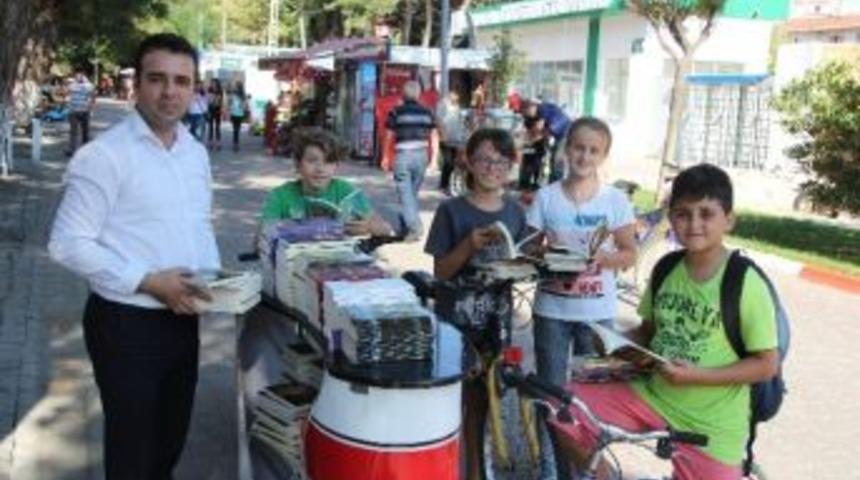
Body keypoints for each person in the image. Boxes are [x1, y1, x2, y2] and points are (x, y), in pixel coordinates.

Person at [48, 33, 220, 479]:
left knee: (169, 444)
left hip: (182, 318)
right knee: (133, 455)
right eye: (158, 79)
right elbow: (66, 241)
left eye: (182, 81)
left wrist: (216, 279)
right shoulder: (104, 155)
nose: (170, 91)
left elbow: (197, 224)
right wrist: (147, 280)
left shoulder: (195, 153)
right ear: (137, 85)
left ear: (194, 87)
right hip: (126, 323)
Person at [552, 163, 779, 480]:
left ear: (729, 219)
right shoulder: (667, 268)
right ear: (671, 218)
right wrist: (616, 341)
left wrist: (695, 376)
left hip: (712, 421)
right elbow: (648, 332)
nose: (694, 223)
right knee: (563, 409)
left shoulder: (745, 281)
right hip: (651, 395)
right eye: (683, 213)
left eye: (706, 213)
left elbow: (766, 365)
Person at [525, 117, 637, 479]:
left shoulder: (615, 200)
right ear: (566, 148)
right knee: (552, 394)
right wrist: (548, 257)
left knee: (591, 399)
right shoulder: (546, 197)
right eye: (578, 147)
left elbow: (629, 252)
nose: (584, 156)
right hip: (551, 311)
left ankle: (587, 471)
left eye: (593, 150)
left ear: (604, 156)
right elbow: (527, 249)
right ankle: (552, 468)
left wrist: (604, 259)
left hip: (596, 314)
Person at [424, 128, 528, 480]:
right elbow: (440, 271)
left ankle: (475, 470)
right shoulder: (451, 211)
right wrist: (468, 245)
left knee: (485, 398)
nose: (491, 167)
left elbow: (520, 261)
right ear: (468, 160)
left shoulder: (515, 212)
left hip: (496, 322)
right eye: (484, 158)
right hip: (455, 321)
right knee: (453, 399)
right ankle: (445, 467)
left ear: (511, 165)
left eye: (500, 160)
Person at [260, 127, 393, 237]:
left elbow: (386, 230)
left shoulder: (346, 191)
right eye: (312, 161)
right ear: (298, 164)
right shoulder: (280, 196)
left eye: (328, 162)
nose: (320, 169)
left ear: (336, 166)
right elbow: (261, 238)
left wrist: (371, 227)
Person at [385, 80, 441, 241]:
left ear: (403, 95)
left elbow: (389, 135)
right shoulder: (427, 112)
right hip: (421, 156)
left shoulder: (396, 112)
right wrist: (434, 158)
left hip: (403, 155)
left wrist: (385, 156)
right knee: (411, 194)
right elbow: (434, 135)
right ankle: (406, 225)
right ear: (418, 95)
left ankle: (415, 227)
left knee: (406, 194)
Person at [523, 98, 571, 183]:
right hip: (559, 134)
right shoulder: (539, 114)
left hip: (565, 134)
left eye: (527, 111)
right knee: (553, 158)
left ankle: (556, 183)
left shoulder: (542, 108)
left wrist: (529, 141)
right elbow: (539, 130)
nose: (527, 114)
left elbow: (541, 129)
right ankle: (553, 181)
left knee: (557, 158)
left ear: (532, 107)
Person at [438, 91, 466, 195]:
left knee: (455, 163)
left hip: (456, 138)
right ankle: (444, 185)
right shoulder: (443, 104)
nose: (456, 98)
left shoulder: (456, 106)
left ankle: (449, 185)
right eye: (455, 97)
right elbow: (439, 120)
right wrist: (442, 134)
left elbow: (459, 120)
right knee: (448, 163)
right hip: (446, 138)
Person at [65, 68, 95, 156]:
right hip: (73, 111)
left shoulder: (89, 85)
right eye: (76, 75)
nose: (78, 76)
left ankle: (85, 151)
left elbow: (93, 97)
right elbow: (67, 94)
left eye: (80, 75)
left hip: (85, 111)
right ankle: (71, 149)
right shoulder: (72, 85)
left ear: (83, 75)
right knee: (73, 132)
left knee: (85, 132)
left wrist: (91, 109)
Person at [517, 114, 548, 190]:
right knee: (526, 169)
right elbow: (522, 146)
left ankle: (532, 183)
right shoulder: (528, 133)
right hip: (529, 157)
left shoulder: (541, 136)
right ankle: (524, 183)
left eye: (539, 124)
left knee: (534, 168)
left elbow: (542, 151)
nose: (538, 126)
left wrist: (527, 147)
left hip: (536, 157)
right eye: (537, 124)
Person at [228, 81, 248, 151]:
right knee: (235, 129)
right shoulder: (234, 94)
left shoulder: (242, 96)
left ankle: (236, 143)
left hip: (238, 114)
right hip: (235, 113)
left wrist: (242, 105)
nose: (235, 87)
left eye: (236, 86)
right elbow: (230, 103)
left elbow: (244, 105)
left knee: (236, 129)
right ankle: (235, 143)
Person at [206, 78, 225, 150]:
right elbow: (208, 100)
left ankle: (218, 143)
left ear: (217, 83)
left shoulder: (220, 91)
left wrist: (215, 98)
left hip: (217, 110)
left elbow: (220, 101)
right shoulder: (209, 90)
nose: (213, 84)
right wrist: (212, 98)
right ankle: (210, 143)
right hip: (210, 110)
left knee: (217, 127)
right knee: (210, 127)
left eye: (214, 83)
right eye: (212, 83)